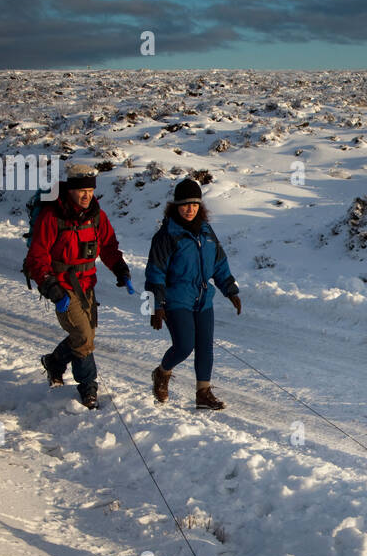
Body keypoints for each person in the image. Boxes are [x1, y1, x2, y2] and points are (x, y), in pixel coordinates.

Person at [27, 163, 133, 409]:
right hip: (62, 285)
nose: (86, 195)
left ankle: (54, 362)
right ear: (71, 191)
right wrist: (51, 287)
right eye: (81, 190)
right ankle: (88, 387)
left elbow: (107, 246)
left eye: (90, 190)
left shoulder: (96, 215)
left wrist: (121, 269)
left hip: (87, 285)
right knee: (84, 337)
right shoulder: (53, 216)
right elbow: (37, 256)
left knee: (85, 336)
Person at [145, 178, 241, 409]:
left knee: (205, 346)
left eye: (195, 205)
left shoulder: (207, 232)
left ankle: (203, 393)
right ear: (176, 206)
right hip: (176, 298)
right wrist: (155, 305)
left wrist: (230, 290)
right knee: (184, 346)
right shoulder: (167, 235)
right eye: (185, 204)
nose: (190, 209)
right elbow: (155, 273)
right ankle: (162, 373)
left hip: (203, 299)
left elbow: (219, 264)